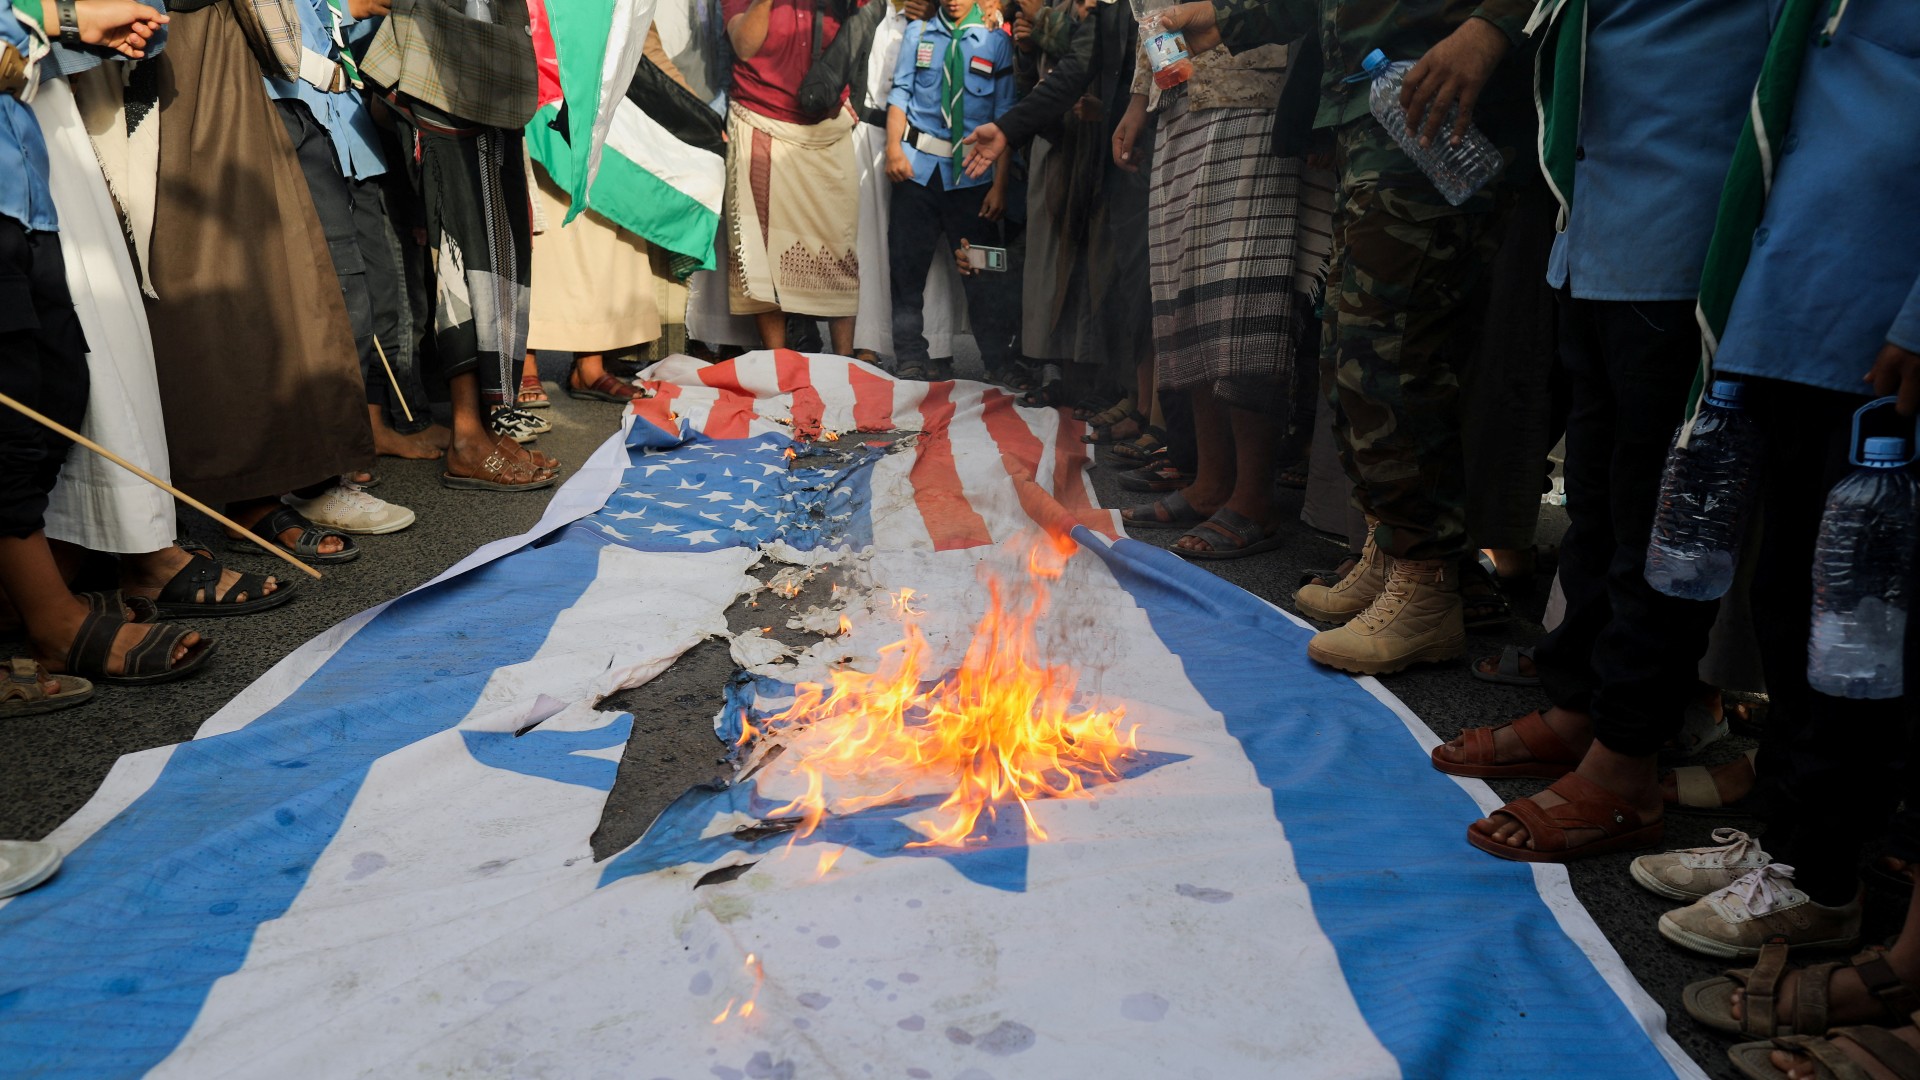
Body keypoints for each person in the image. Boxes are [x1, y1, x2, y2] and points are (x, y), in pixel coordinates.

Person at [1431, 0, 1777, 864]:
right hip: (1596, 221)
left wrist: (1489, 26)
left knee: (1657, 517)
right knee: (1593, 496)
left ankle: (1626, 761)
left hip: (1685, 227)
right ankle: (1580, 708)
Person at [1647, 0, 1920, 981]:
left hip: (1879, 333)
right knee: (1782, 598)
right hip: (1792, 307)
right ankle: (1786, 841)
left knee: (1851, 622)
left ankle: (1824, 880)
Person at [1155, 0, 1533, 674]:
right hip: (1373, 103)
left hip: (1436, 92)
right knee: (1350, 350)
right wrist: (1226, 19)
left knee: (1391, 352)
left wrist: (1492, 26)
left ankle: (1424, 585)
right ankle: (1393, 552)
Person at [38, 9, 296, 615]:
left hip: (45, 87)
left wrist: (86, 24)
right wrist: (66, 16)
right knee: (80, 328)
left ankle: (119, 552)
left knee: (97, 336)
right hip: (29, 82)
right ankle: (68, 585)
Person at [1, 0, 211, 689]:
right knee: (9, 415)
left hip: (23, 183)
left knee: (55, 383)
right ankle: (52, 620)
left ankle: (39, 599)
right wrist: (59, 18)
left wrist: (77, 28)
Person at [142, 0, 377, 560]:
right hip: (154, 59)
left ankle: (267, 481)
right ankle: (177, 511)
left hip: (216, 51)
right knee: (196, 274)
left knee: (267, 276)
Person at [1109, 31, 1316, 559]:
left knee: (1244, 297)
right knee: (1190, 294)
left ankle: (1253, 499)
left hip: (1253, 90)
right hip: (1179, 95)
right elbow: (1150, 15)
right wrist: (1139, 101)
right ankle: (1211, 482)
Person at [360, 0, 561, 491]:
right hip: (438, 77)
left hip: (493, 76)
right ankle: (467, 437)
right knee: (461, 260)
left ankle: (489, 426)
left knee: (502, 259)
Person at [266, 0, 421, 534]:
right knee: (330, 304)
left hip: (347, 132)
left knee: (372, 295)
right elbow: (276, 32)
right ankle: (315, 477)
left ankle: (362, 435)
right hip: (291, 117)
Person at [883, 0, 1017, 381]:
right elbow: (900, 95)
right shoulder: (919, 32)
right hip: (918, 171)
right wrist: (893, 149)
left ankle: (997, 360)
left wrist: (1000, 185)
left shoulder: (994, 40)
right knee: (906, 269)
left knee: (982, 269)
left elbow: (1007, 116)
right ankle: (909, 354)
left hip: (974, 176)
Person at [723, 0, 863, 355]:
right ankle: (776, 360)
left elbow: (872, 16)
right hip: (760, 116)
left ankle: (844, 360)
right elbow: (743, 45)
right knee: (760, 252)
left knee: (838, 244)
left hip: (827, 125)